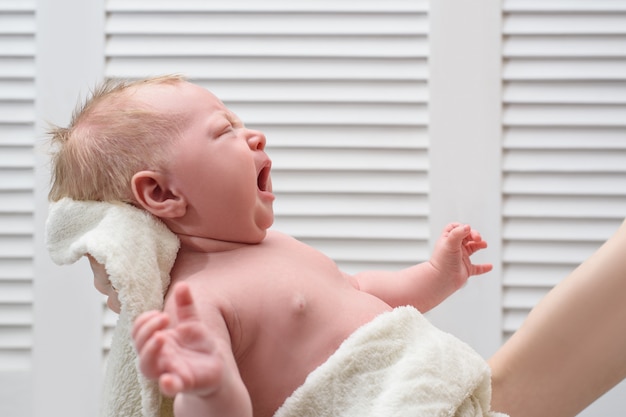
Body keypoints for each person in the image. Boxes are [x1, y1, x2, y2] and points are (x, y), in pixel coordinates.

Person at [48, 75, 626, 417]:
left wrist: (434, 274)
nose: (254, 135)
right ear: (161, 194)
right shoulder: (195, 301)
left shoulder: (278, 247)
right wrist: (208, 385)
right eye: (223, 131)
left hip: (433, 393)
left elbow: (360, 295)